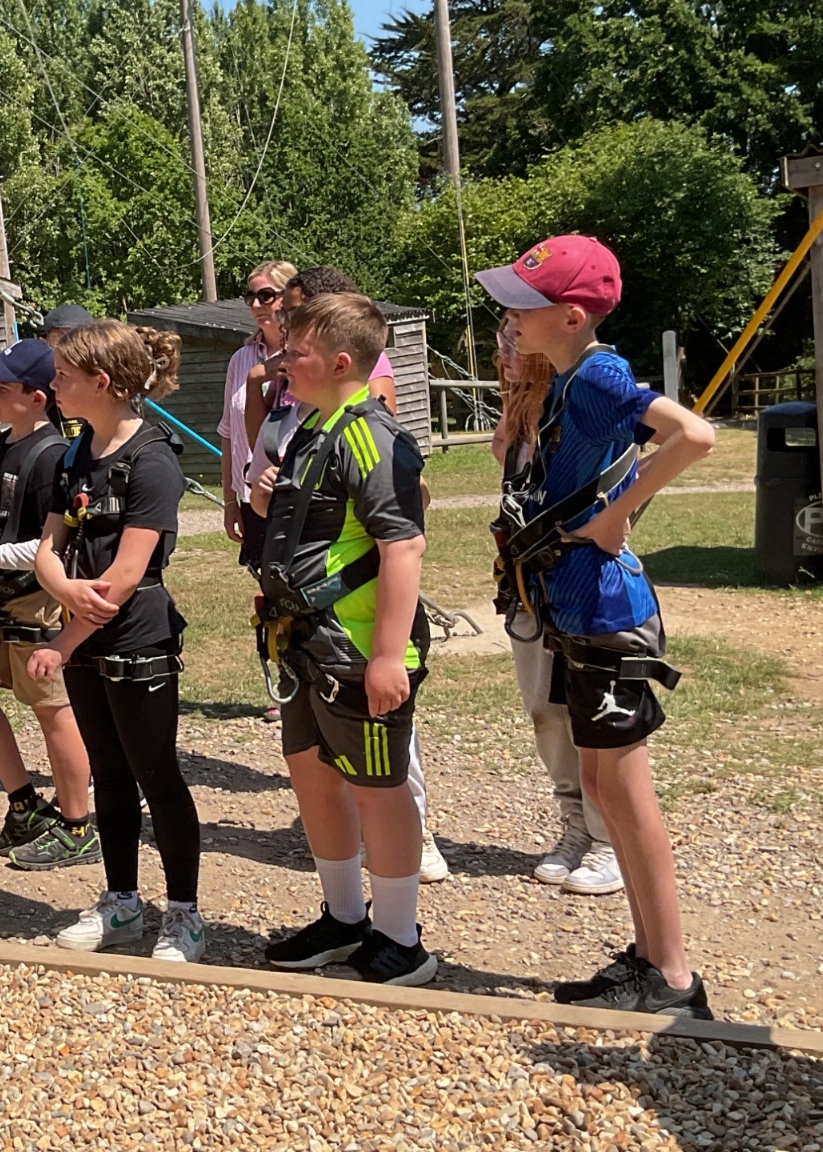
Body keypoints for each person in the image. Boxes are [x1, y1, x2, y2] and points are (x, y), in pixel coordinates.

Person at [478, 235, 715, 1018]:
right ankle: (647, 957)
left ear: (572, 316)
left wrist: (616, 517)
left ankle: (673, 977)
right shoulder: (570, 380)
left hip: (611, 615)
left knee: (626, 790)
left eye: (525, 304)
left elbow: (695, 436)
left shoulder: (601, 374)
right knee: (606, 784)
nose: (511, 317)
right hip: (578, 611)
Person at [249, 292, 437, 986]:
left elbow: (403, 546)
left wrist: (387, 655)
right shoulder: (311, 428)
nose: (282, 362)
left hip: (357, 648)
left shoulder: (370, 436)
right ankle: (344, 916)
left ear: (340, 361)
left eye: (296, 352)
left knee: (379, 789)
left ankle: (400, 937)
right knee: (312, 772)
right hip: (306, 643)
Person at [25, 321, 204, 962]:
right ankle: (122, 901)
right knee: (109, 773)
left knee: (158, 775)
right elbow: (48, 548)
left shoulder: (152, 460)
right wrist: (62, 590)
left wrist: (64, 640)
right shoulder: (73, 454)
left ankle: (183, 914)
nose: (53, 385)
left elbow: (126, 577)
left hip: (136, 638)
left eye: (64, 376)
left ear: (101, 383)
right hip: (84, 639)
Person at [0, 338, 98, 869]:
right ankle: (25, 805)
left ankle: (78, 826)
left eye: (4, 387)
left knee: (53, 712)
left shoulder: (54, 456)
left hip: (37, 603)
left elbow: (48, 545)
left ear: (37, 398)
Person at [490, 317, 622, 895]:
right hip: (528, 583)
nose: (505, 353)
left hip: (580, 585)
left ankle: (608, 839)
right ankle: (575, 826)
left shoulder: (582, 396)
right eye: (502, 341)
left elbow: (627, 465)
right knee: (545, 711)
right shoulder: (522, 416)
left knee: (593, 714)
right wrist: (514, 405)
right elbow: (510, 469)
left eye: (513, 341)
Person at [243, 267, 398, 452]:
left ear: (324, 308)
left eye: (294, 313)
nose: (285, 323)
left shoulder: (363, 355)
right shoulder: (289, 361)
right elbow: (260, 445)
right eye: (282, 313)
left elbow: (382, 427)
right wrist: (254, 380)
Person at [219, 261, 296, 573]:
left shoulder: (306, 357)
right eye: (250, 296)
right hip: (252, 496)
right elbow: (228, 433)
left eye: (265, 295)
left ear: (289, 296)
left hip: (295, 492)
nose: (255, 305)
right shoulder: (241, 359)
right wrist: (230, 501)